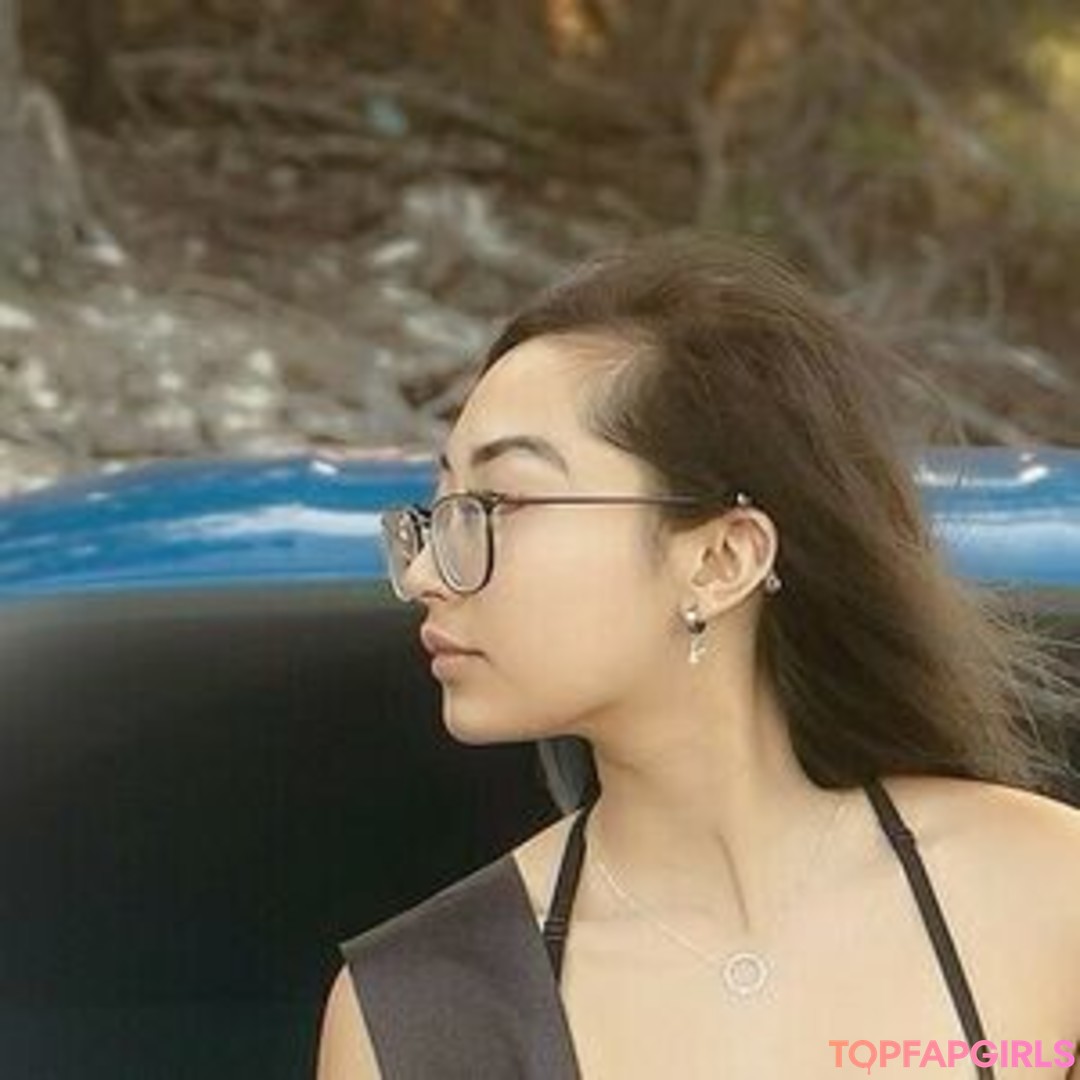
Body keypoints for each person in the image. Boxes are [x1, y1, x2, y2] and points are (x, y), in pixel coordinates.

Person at [316, 234, 1080, 1079]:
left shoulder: (1048, 893)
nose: (427, 572)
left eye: (498, 502)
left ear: (722, 559)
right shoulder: (416, 1017)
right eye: (440, 509)